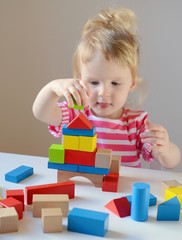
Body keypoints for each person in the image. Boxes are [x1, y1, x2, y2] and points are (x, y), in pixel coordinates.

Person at [32, 8, 180, 169]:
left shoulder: (136, 124)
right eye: (94, 82)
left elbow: (172, 162)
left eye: (115, 83)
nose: (103, 93)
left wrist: (165, 148)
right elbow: (40, 112)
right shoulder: (76, 114)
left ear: (131, 84)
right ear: (79, 79)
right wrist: (54, 88)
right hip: (83, 191)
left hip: (122, 192)